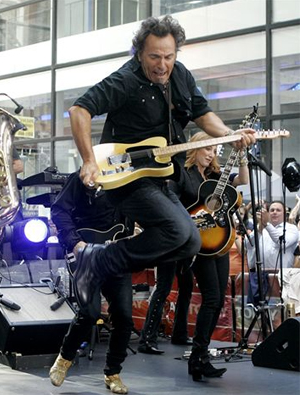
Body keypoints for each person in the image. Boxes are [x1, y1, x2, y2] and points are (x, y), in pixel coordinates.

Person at [68, 15, 255, 320]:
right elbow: (79, 110)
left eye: (169, 56)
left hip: (164, 176)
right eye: (154, 56)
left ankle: (101, 261)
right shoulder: (125, 80)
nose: (162, 64)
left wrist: (229, 134)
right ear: (140, 53)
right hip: (127, 177)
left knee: (191, 241)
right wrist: (88, 159)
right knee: (178, 230)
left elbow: (204, 114)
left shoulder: (180, 76)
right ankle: (98, 260)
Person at [169, 132, 249, 380]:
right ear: (196, 148)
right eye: (208, 148)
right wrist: (191, 219)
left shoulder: (216, 176)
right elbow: (170, 202)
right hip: (198, 245)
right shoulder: (183, 173)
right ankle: (198, 355)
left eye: (214, 150)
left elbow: (242, 180)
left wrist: (242, 154)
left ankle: (199, 356)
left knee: (218, 300)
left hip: (220, 243)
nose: (211, 153)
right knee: (212, 298)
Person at [49, 171, 133, 394]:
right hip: (86, 254)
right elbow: (58, 210)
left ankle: (113, 373)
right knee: (89, 312)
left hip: (118, 253)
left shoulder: (132, 177)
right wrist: (76, 243)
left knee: (124, 317)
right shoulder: (84, 176)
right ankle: (64, 358)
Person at [245, 200, 300, 302]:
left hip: (283, 277)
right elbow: (248, 244)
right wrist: (259, 229)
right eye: (272, 210)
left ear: (284, 214)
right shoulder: (262, 228)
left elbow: (282, 243)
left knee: (281, 310)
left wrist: (267, 225)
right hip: (261, 277)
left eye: (278, 210)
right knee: (260, 310)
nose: (274, 212)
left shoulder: (291, 229)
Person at [137, 260, 194, 354]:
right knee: (163, 288)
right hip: (169, 250)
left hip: (185, 251)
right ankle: (147, 340)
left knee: (187, 287)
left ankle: (180, 334)